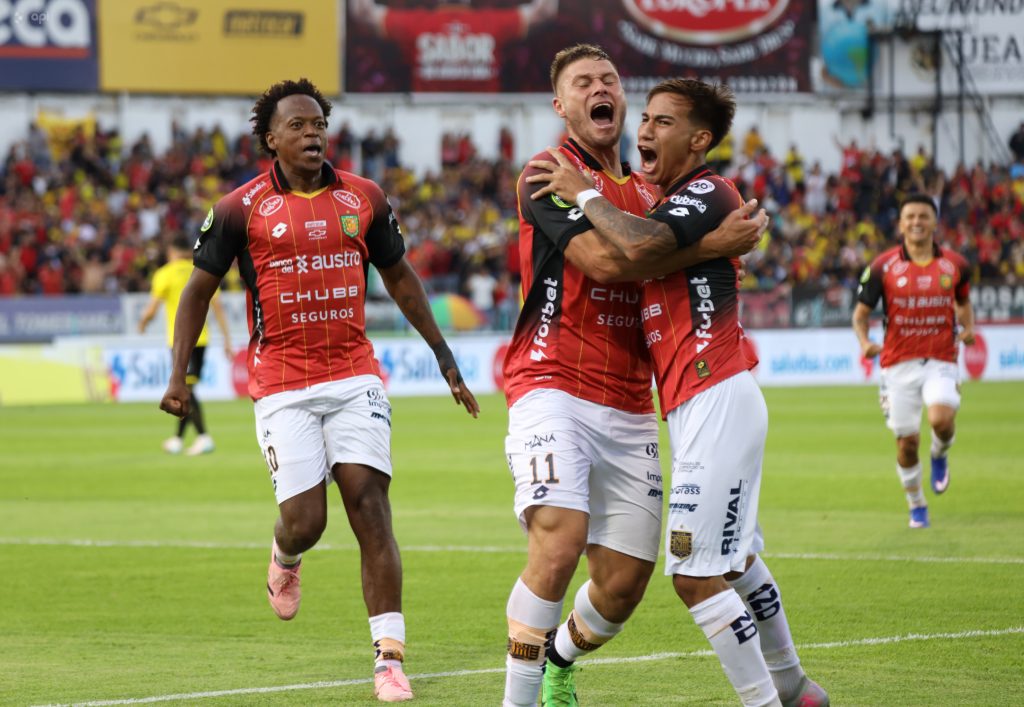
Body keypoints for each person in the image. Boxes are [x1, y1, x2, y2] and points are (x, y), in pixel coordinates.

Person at [158, 78, 479, 703]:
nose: (312, 134)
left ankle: (389, 658)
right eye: (298, 126)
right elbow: (197, 292)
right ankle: (285, 555)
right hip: (282, 382)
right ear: (270, 139)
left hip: (354, 373)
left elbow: (401, 278)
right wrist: (178, 377)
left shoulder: (364, 197)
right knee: (306, 522)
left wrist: (445, 358)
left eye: (319, 125)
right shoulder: (239, 208)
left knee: (370, 506)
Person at [526, 77, 828, 707]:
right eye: (647, 118)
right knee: (736, 560)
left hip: (716, 390)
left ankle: (770, 699)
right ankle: (795, 687)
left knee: (694, 574)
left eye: (664, 122)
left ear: (698, 140)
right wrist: (713, 245)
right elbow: (636, 254)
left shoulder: (706, 190)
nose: (645, 130)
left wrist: (584, 192)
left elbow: (638, 245)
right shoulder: (665, 203)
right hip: (695, 401)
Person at [852, 194, 974, 529]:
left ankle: (939, 453)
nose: (917, 222)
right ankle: (916, 504)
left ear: (935, 222)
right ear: (901, 224)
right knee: (906, 444)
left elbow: (963, 302)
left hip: (941, 358)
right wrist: (864, 342)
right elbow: (860, 314)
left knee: (941, 421)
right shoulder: (883, 266)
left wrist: (969, 327)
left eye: (923, 216)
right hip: (897, 365)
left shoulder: (956, 265)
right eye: (910, 217)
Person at [139, 234, 231, 456]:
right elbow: (218, 307)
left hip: (179, 341)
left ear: (171, 252)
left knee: (185, 389)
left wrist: (143, 323)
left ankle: (203, 437)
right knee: (187, 388)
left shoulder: (164, 274)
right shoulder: (201, 270)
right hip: (202, 339)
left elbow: (151, 309)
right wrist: (227, 339)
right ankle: (178, 440)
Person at [350, 0, 558, 92]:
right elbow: (544, 11)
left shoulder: (416, 22)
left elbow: (362, 11)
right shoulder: (492, 21)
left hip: (434, 110)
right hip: (476, 109)